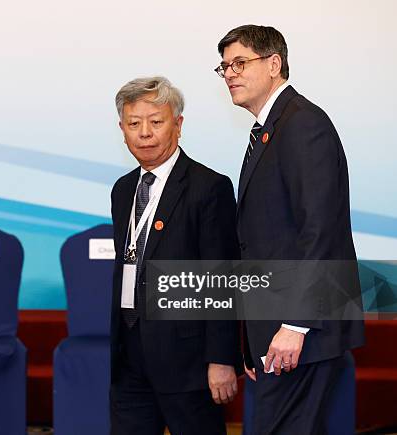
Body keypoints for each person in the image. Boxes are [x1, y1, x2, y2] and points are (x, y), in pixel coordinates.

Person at [215, 25, 365, 434]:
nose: (230, 74)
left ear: (274, 64)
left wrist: (294, 325)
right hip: (278, 330)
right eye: (224, 66)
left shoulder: (302, 125)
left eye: (240, 63)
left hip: (301, 332)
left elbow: (320, 232)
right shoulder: (270, 129)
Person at [109, 76, 241, 435]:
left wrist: (221, 359)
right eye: (134, 124)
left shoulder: (208, 188)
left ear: (178, 125)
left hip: (188, 360)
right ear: (122, 130)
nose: (145, 133)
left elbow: (222, 279)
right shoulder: (122, 190)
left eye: (156, 121)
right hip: (129, 354)